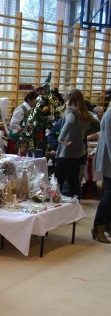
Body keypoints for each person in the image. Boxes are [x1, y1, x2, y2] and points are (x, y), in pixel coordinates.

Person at [55, 89, 93, 198]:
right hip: (79, 153)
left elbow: (70, 121)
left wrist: (61, 138)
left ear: (71, 101)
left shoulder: (71, 111)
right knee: (73, 181)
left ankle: (54, 205)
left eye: (66, 101)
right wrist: (82, 134)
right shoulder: (85, 113)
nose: (65, 103)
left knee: (58, 181)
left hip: (67, 152)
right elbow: (97, 125)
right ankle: (75, 206)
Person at [92, 103, 111, 243]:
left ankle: (107, 224)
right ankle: (97, 226)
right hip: (108, 160)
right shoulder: (110, 115)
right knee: (109, 194)